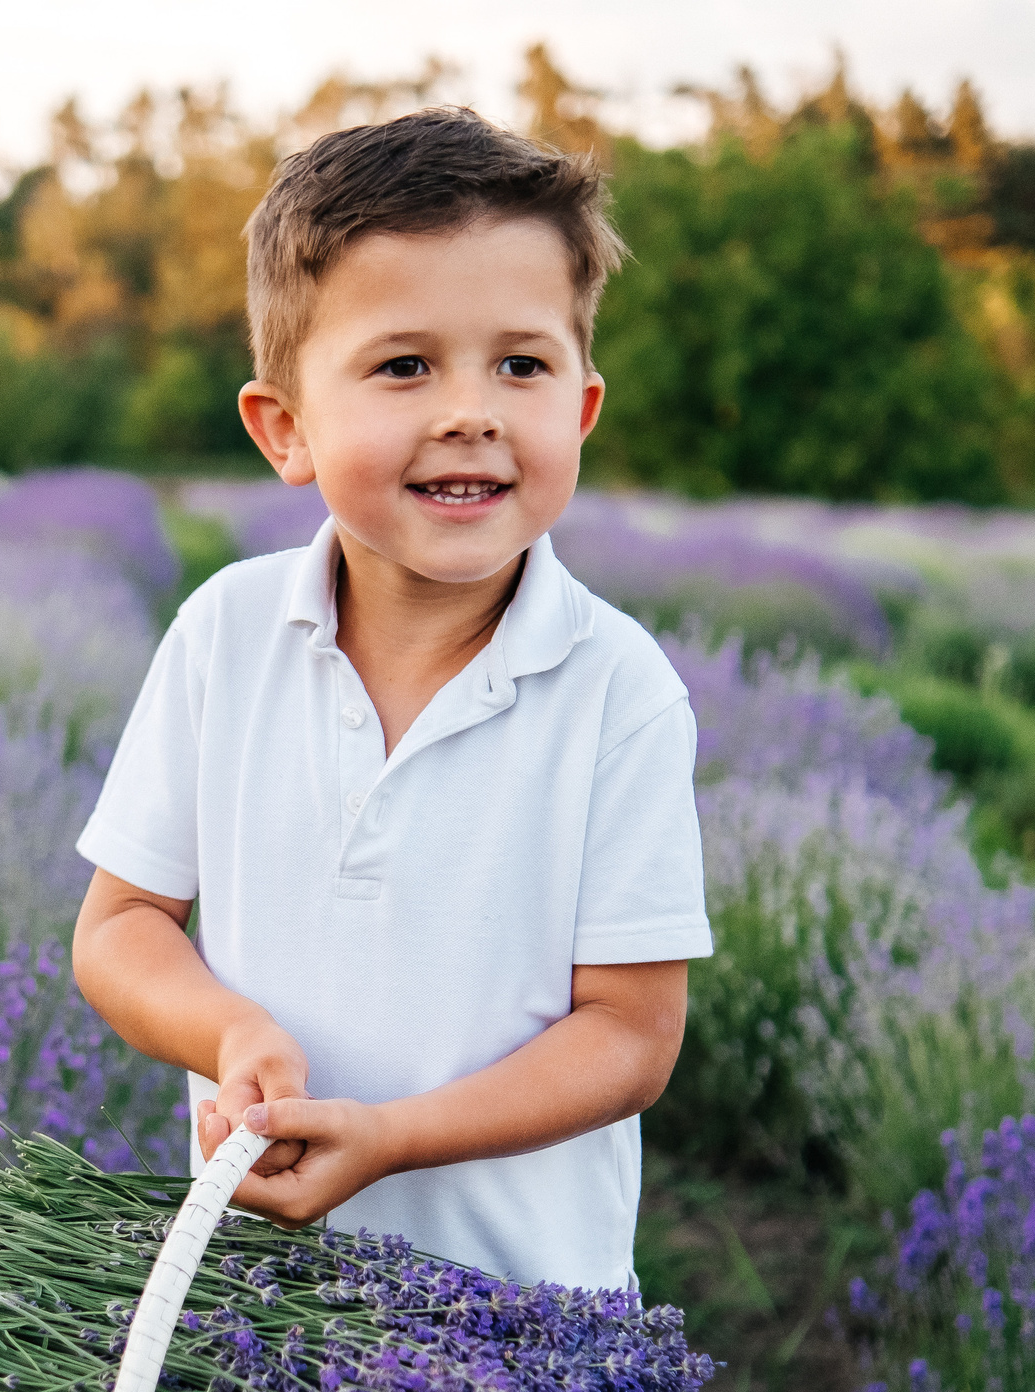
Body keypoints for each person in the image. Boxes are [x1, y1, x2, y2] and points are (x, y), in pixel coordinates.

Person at [69, 107, 710, 1292]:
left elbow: (629, 1036)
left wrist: (395, 1140)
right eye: (405, 365)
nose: (469, 409)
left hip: (522, 1327)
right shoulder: (226, 635)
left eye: (520, 364)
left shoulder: (617, 692)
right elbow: (118, 929)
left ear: (579, 410)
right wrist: (231, 1034)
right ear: (286, 428)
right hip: (266, 1310)